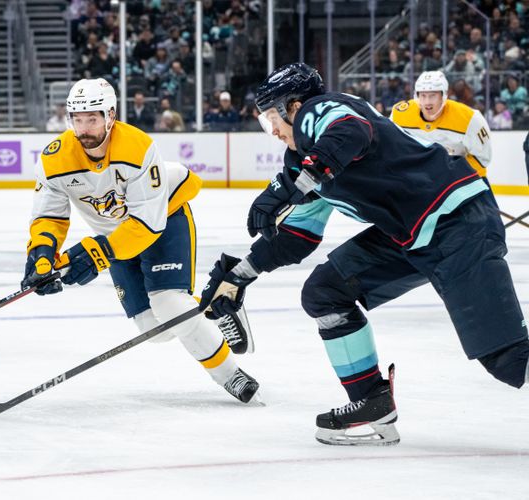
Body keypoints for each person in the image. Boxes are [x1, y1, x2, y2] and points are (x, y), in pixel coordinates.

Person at [199, 63, 527, 446]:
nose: (271, 130)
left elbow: (351, 131)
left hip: (457, 221)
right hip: (413, 235)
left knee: (508, 360)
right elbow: (297, 237)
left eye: (272, 117)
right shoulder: (304, 160)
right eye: (263, 123)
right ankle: (372, 401)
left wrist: (287, 186)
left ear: (293, 106)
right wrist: (240, 273)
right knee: (324, 291)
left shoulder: (320, 110)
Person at [22, 78, 260, 403]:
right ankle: (219, 307)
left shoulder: (136, 147)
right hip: (116, 235)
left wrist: (97, 255)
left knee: (169, 302)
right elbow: (49, 217)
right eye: (77, 119)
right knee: (153, 330)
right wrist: (42, 254)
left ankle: (232, 376)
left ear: (110, 115)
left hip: (164, 220)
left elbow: (147, 224)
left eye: (91, 118)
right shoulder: (55, 159)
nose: (84, 128)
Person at [390, 71, 492, 177]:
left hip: (462, 180)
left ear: (443, 96)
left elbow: (482, 158)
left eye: (432, 96)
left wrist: (454, 176)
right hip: (419, 179)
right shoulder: (400, 114)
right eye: (423, 95)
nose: (427, 102)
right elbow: (391, 148)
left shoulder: (469, 118)